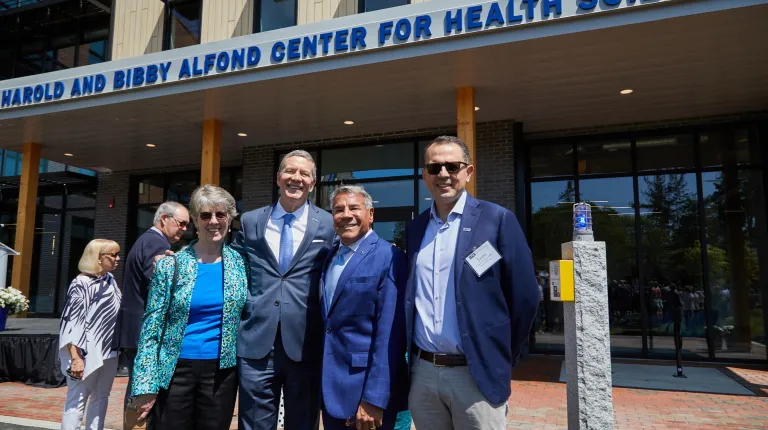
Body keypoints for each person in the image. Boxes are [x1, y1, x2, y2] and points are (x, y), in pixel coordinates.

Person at [404, 136, 539, 430]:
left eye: (452, 166)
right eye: (434, 166)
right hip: (424, 374)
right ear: (424, 174)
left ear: (469, 171)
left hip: (475, 374)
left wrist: (499, 352)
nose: (443, 174)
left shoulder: (497, 220)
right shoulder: (415, 230)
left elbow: (526, 298)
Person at [232, 149, 335, 430]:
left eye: (304, 174)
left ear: (313, 183)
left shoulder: (327, 224)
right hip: (257, 342)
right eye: (290, 171)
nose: (296, 178)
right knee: (254, 424)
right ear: (278, 178)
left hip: (305, 342)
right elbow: (232, 263)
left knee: (302, 423)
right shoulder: (252, 221)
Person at [131, 185, 248, 430]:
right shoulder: (170, 265)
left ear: (229, 218)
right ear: (195, 220)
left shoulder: (241, 264)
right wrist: (144, 385)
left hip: (221, 372)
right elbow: (151, 328)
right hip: (175, 370)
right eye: (205, 215)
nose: (213, 222)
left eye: (220, 215)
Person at [320, 185, 407, 430]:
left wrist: (374, 398)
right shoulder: (330, 257)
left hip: (365, 396)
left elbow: (390, 334)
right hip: (332, 389)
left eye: (354, 207)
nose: (346, 214)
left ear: (370, 215)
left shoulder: (389, 257)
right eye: (338, 209)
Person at [117, 200, 190, 411]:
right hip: (146, 332)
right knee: (142, 393)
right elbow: (160, 289)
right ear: (164, 219)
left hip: (136, 329)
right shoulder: (157, 245)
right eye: (181, 223)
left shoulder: (146, 240)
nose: (184, 230)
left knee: (138, 389)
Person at [59, 239, 122, 430]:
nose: (117, 259)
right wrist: (75, 357)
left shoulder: (110, 280)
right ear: (98, 258)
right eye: (113, 255)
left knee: (101, 397)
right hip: (84, 352)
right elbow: (72, 322)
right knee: (77, 400)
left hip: (109, 351)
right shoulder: (81, 283)